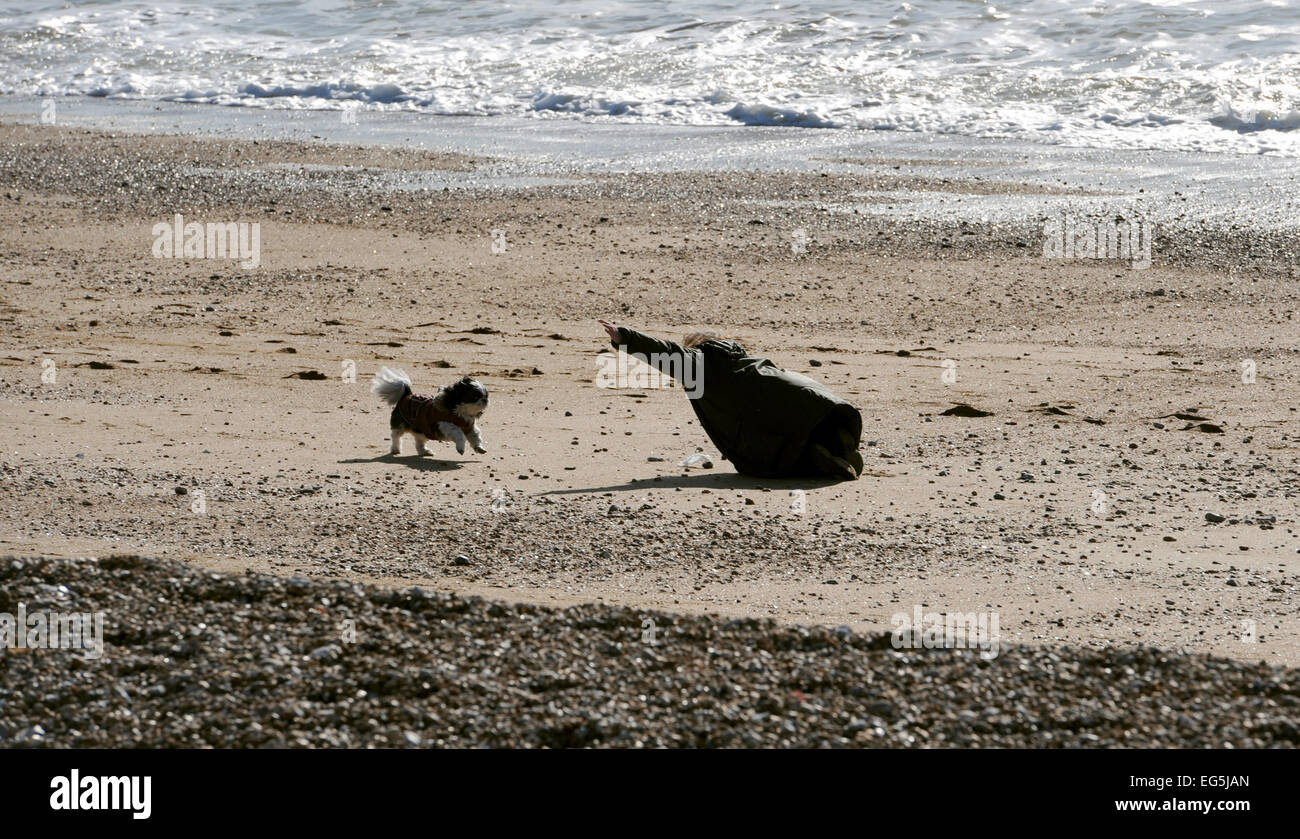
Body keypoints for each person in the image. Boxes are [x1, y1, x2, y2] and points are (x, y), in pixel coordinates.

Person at [598, 320, 863, 480]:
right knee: (799, 424)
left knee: (767, 458)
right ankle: (835, 444)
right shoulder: (743, 360)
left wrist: (625, 337)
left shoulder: (701, 365)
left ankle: (812, 458)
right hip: (816, 399)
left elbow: (666, 352)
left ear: (695, 346)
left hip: (784, 415)